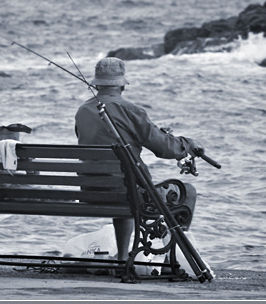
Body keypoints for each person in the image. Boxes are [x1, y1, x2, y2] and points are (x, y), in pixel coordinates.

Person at [74, 57, 204, 264]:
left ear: (96, 83)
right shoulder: (132, 110)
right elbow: (164, 147)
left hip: (92, 191)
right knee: (187, 190)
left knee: (123, 185)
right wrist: (187, 144)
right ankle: (174, 259)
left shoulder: (82, 111)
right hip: (127, 193)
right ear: (122, 84)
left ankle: (124, 257)